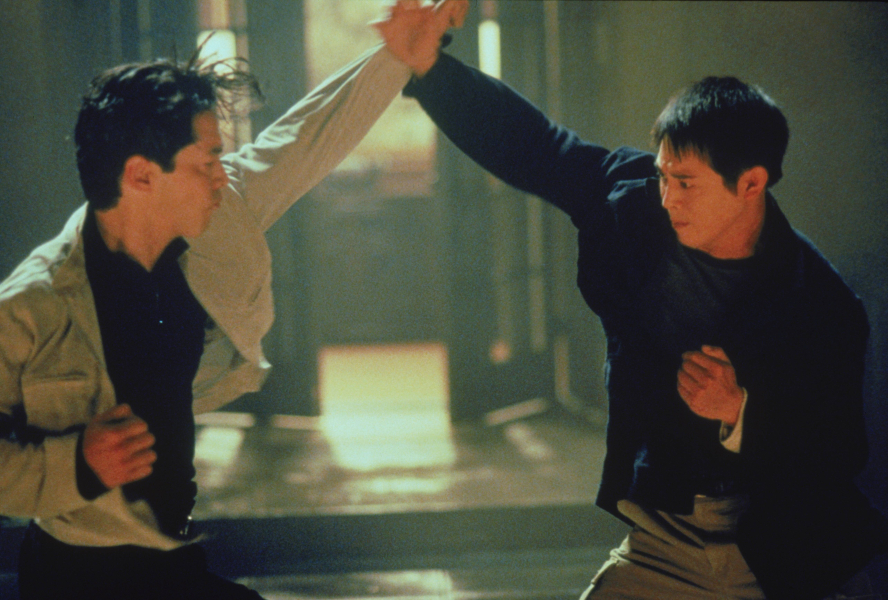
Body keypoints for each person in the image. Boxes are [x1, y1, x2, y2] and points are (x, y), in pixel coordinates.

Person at [375, 3, 887, 599]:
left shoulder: (823, 305)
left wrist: (739, 411)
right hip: (667, 536)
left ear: (751, 182)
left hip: (787, 549)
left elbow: (839, 451)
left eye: (686, 183)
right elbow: (537, 148)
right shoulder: (637, 204)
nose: (669, 198)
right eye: (665, 175)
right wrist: (432, 69)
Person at [0, 4, 464, 599]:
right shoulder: (34, 305)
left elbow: (305, 141)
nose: (223, 175)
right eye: (207, 161)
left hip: (169, 560)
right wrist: (76, 466)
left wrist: (396, 58)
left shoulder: (212, 220)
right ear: (141, 176)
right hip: (77, 578)